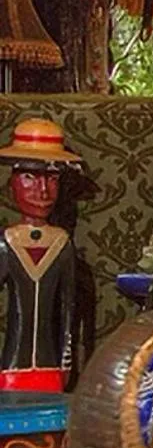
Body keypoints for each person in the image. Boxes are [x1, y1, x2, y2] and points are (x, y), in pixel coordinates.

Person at [0, 118, 83, 391]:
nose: (43, 191)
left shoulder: (62, 244)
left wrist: (67, 361)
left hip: (51, 370)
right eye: (29, 178)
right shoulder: (7, 243)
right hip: (11, 367)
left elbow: (69, 309)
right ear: (13, 183)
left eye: (52, 179)